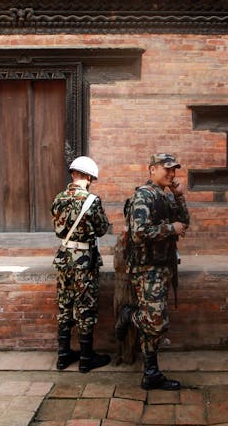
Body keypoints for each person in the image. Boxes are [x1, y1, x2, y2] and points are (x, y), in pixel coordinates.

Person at [126, 152, 190, 390]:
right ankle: (129, 316)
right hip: (146, 268)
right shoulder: (143, 195)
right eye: (167, 169)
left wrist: (179, 196)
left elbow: (185, 223)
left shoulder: (166, 196)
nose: (171, 174)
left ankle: (150, 374)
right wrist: (169, 228)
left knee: (157, 324)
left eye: (174, 170)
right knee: (155, 323)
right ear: (152, 169)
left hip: (163, 268)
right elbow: (138, 232)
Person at [50, 155, 111, 372]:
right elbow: (103, 229)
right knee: (85, 306)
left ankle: (63, 355)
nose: (90, 182)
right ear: (86, 176)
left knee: (65, 305)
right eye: (91, 179)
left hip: (64, 258)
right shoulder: (91, 201)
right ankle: (86, 359)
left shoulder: (58, 198)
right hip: (83, 261)